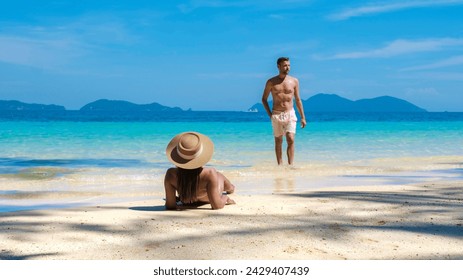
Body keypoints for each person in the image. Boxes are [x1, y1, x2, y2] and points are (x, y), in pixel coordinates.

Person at [164, 131, 236, 210]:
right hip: (208, 198)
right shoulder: (209, 173)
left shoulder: (171, 174)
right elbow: (216, 206)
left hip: (187, 200)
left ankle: (230, 188)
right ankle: (231, 188)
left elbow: (170, 206)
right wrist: (225, 197)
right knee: (218, 175)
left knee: (216, 175)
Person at [261, 57, 306, 165]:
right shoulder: (271, 82)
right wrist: (270, 115)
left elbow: (298, 99)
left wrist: (303, 117)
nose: (288, 68)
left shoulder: (294, 81)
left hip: (290, 113)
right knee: (278, 141)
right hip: (276, 114)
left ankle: (290, 165)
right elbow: (264, 99)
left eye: (289, 65)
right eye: (285, 65)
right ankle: (280, 165)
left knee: (290, 138)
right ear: (278, 66)